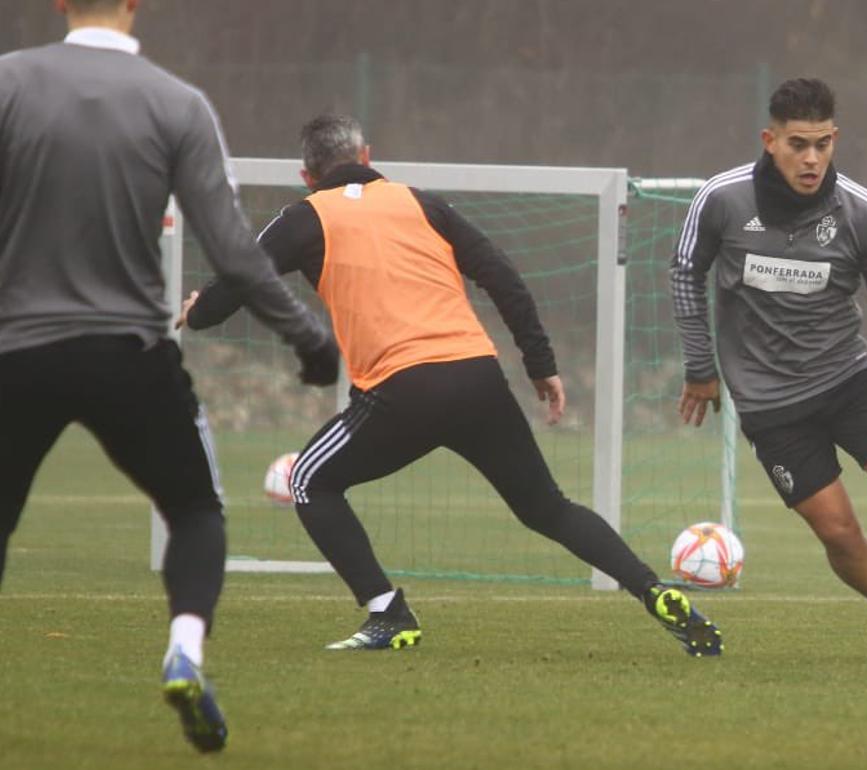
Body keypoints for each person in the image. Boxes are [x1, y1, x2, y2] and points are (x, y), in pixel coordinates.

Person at [179, 113, 722, 658]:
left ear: (306, 175)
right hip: (478, 378)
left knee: (309, 480)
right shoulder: (422, 203)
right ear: (367, 157)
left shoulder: (303, 217)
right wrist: (540, 364)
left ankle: (386, 612)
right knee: (547, 508)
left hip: (402, 390)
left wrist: (198, 308)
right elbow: (501, 274)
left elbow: (237, 283)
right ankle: (652, 590)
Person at [0, 0, 338, 752]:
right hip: (129, 354)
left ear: (60, 3)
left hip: (17, 353)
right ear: (134, 3)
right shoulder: (176, 103)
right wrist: (307, 334)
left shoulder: (9, 85)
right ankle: (184, 646)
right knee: (195, 510)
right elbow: (234, 251)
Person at [670, 77, 867, 663]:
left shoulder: (861, 212)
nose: (811, 158)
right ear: (770, 140)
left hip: (847, 379)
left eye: (822, 144)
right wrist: (700, 367)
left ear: (835, 139)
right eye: (797, 144)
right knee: (837, 532)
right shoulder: (722, 198)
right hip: (771, 407)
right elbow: (685, 272)